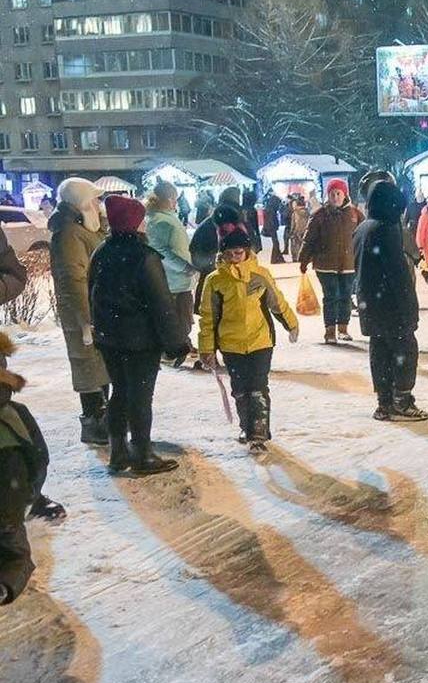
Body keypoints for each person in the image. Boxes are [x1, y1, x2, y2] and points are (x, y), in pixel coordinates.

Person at [88, 194, 190, 475]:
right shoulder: (144, 257)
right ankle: (143, 454)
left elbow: (92, 295)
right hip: (140, 342)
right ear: (134, 222)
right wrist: (177, 343)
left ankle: (118, 452)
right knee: (141, 397)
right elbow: (162, 305)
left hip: (110, 339)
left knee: (120, 393)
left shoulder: (101, 253)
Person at [198, 227, 299, 451]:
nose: (235, 257)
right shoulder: (214, 281)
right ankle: (246, 426)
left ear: (247, 252)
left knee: (258, 388)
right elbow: (208, 318)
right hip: (231, 345)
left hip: (260, 341)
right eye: (230, 254)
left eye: (240, 253)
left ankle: (258, 434)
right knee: (241, 389)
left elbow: (277, 302)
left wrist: (291, 323)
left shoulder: (259, 275)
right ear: (223, 254)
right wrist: (207, 348)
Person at [353, 182, 428, 422]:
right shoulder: (385, 230)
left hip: (370, 302)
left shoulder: (362, 228)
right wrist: (409, 306)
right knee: (404, 350)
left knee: (380, 351)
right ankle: (402, 401)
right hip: (391, 304)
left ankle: (384, 402)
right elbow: (398, 273)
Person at [47, 177, 111, 445]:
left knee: (98, 367)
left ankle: (102, 422)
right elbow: (73, 280)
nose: (98, 204)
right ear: (82, 202)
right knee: (90, 368)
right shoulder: (70, 234)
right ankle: (95, 424)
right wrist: (86, 321)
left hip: (94, 311)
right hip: (84, 315)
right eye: (94, 199)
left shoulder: (80, 227)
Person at [0, 334, 41, 602]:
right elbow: (38, 460)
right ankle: (5, 585)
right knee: (16, 555)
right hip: (7, 507)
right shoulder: (14, 414)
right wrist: (32, 495)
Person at [299, 179, 362, 344]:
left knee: (346, 296)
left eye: (338, 193)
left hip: (349, 264)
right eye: (332, 194)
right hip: (325, 265)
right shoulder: (320, 215)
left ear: (344, 194)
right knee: (331, 296)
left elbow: (364, 236)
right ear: (327, 195)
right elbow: (309, 239)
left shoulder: (355, 214)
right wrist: (303, 260)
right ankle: (330, 331)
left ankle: (343, 328)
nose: (335, 197)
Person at [144, 180, 200, 366]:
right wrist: (185, 266)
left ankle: (179, 347)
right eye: (175, 199)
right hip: (174, 279)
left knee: (180, 318)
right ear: (169, 199)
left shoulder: (160, 218)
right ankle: (173, 351)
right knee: (179, 320)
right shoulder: (160, 220)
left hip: (176, 279)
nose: (176, 202)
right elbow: (160, 251)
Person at [262, 190, 285, 264]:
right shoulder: (271, 210)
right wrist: (273, 227)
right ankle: (275, 258)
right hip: (271, 228)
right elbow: (271, 220)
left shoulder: (269, 208)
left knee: (276, 243)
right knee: (276, 243)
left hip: (271, 227)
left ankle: (278, 258)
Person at [287, 194, 310, 262]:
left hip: (297, 231)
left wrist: (291, 232)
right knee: (304, 244)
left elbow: (293, 223)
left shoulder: (295, 213)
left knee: (296, 244)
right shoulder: (307, 212)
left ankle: (296, 257)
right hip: (306, 230)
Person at [239, 187, 262, 253]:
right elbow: (255, 226)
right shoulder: (252, 210)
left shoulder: (240, 209)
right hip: (251, 233)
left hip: (242, 233)